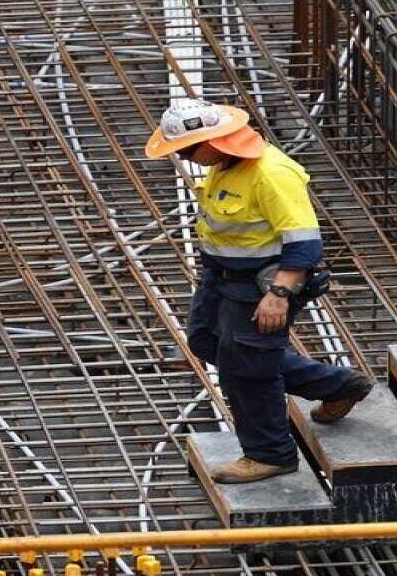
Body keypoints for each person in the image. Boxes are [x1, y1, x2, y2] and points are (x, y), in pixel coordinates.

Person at [145, 98, 374, 484]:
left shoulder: (271, 173)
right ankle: (337, 384)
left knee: (247, 368)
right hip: (222, 279)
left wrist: (279, 294)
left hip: (262, 286)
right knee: (207, 342)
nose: (184, 157)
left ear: (215, 140)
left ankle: (270, 454)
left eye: (187, 149)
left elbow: (304, 244)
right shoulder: (226, 164)